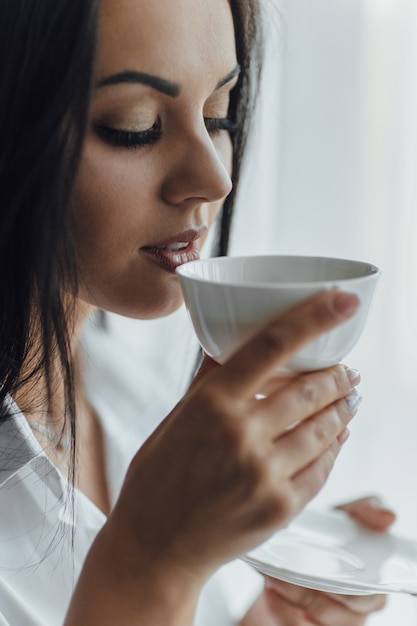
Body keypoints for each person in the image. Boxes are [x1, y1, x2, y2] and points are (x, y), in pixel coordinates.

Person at [0, 0, 394, 624]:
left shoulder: (137, 397)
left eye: (219, 114)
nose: (214, 180)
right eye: (134, 126)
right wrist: (152, 565)